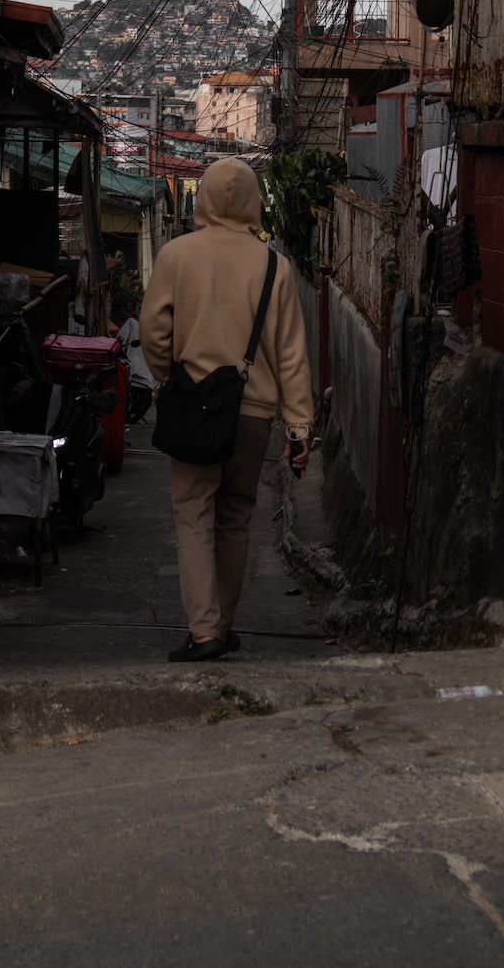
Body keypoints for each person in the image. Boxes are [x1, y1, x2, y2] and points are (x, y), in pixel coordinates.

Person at [140, 157, 314, 662]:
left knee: (193, 515)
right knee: (236, 517)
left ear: (207, 199)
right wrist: (299, 428)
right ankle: (226, 622)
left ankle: (204, 631)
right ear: (253, 203)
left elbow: (153, 331)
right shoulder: (274, 267)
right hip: (254, 414)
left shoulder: (176, 256)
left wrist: (171, 378)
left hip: (193, 407)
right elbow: (292, 355)